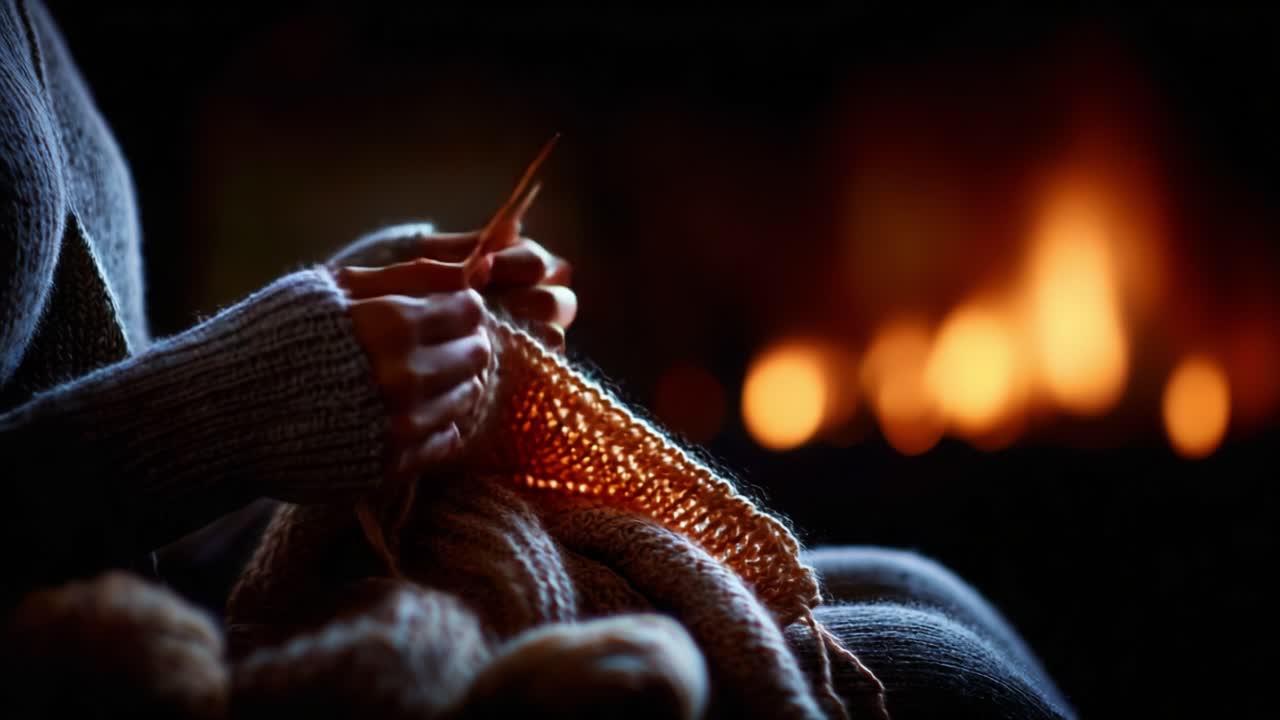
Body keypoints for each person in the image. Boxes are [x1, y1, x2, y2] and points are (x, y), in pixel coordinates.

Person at [1, 1, 1075, 717]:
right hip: (122, 652)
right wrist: (245, 402)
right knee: (942, 677)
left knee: (917, 587)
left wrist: (370, 308)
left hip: (182, 577)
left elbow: (95, 402)